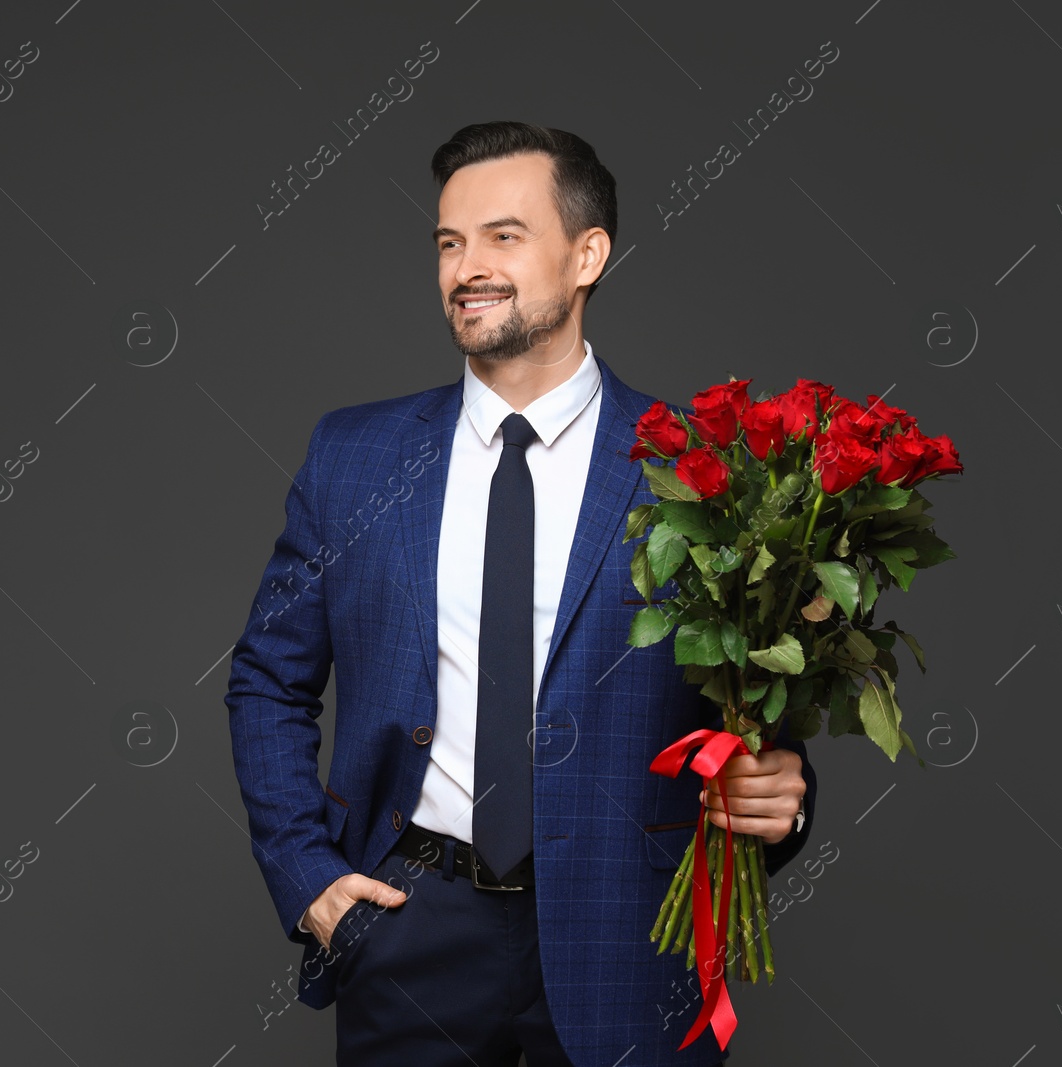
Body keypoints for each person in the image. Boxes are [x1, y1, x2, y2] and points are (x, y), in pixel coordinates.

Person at [225, 121, 815, 1067]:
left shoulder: (699, 471)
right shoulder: (355, 457)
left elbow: (756, 715)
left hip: (631, 937)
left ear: (588, 254)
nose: (468, 267)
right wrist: (308, 877)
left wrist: (784, 791)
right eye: (450, 242)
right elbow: (265, 678)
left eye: (504, 236)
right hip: (411, 928)